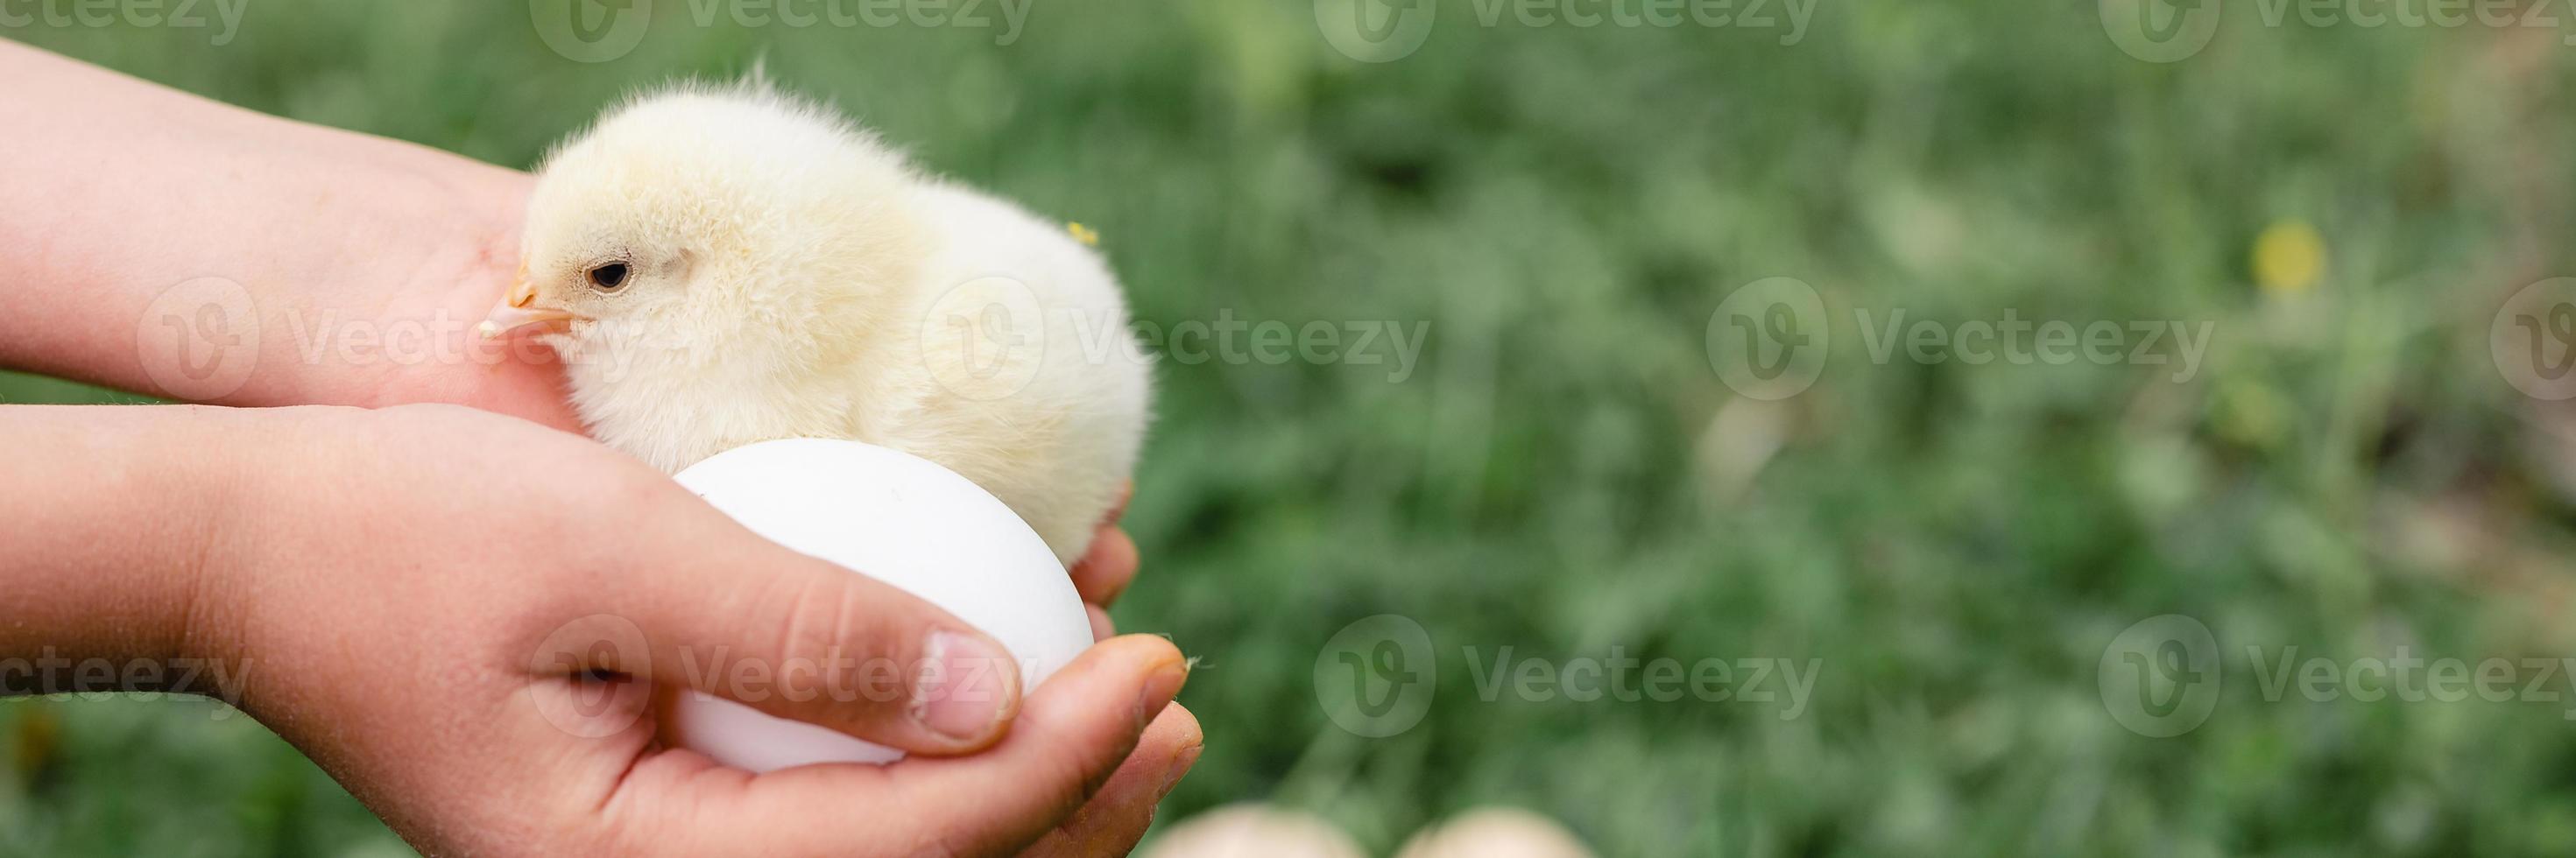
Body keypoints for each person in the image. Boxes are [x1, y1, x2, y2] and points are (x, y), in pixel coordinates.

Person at [0, 39, 1200, 856]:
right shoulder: (766, 349)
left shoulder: (839, 380)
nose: (527, 303)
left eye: (604, 276)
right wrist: (226, 565)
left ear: (718, 282)